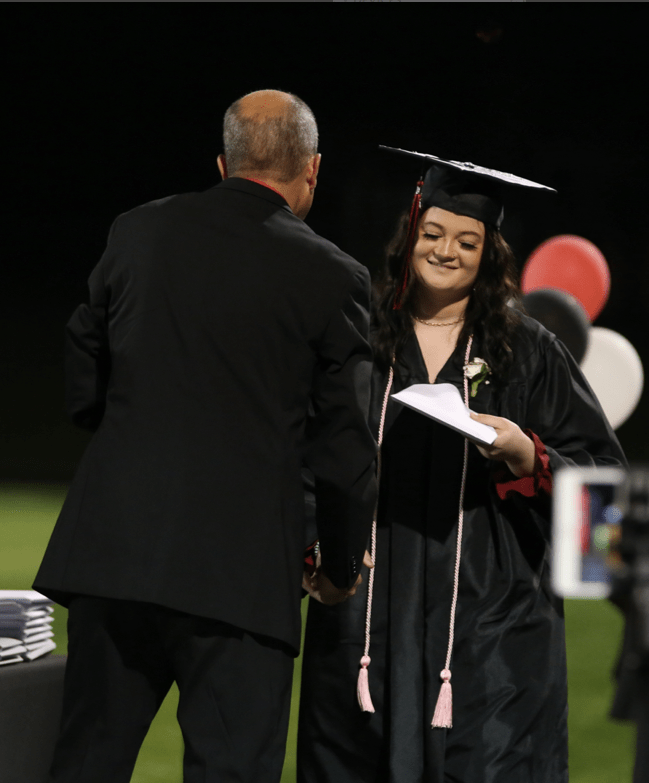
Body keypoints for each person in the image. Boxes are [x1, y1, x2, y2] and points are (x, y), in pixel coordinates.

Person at [33, 90, 377, 783]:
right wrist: (338, 565)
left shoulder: (137, 230)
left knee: (85, 765)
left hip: (112, 554)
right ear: (312, 170)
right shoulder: (333, 276)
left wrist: (131, 438)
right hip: (240, 576)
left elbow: (82, 356)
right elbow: (346, 449)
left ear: (222, 163)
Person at [298, 148, 627, 783]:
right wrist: (318, 545)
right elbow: (306, 459)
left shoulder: (528, 352)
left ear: (490, 254)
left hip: (493, 637)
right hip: (369, 627)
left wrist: (529, 456)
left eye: (467, 241)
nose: (446, 252)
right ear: (410, 235)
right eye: (434, 233)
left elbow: (604, 512)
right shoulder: (358, 340)